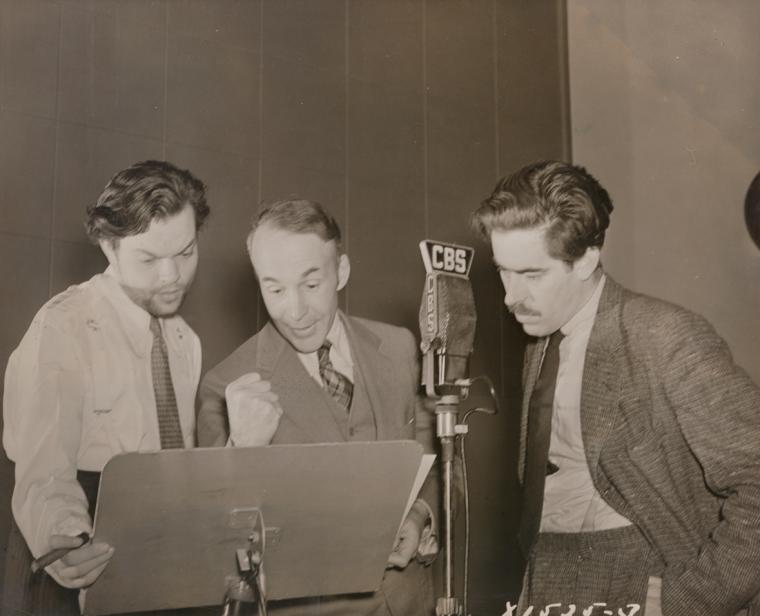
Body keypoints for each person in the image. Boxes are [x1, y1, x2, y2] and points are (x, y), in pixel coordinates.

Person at [471, 160, 760, 616]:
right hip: (545, 570)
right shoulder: (542, 340)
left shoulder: (666, 337)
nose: (510, 297)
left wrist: (694, 599)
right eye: (503, 272)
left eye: (531, 275)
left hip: (635, 572)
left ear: (585, 258)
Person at [197, 199, 438, 616]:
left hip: (409, 604)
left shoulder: (399, 348)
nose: (295, 310)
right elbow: (219, 541)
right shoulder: (225, 385)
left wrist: (418, 516)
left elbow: (432, 460)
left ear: (341, 272)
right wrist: (242, 446)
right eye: (274, 288)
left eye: (311, 285)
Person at [2, 160, 209, 615]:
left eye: (187, 252)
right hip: (73, 556)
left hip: (158, 556)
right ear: (109, 247)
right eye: (150, 259)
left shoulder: (184, 342)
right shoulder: (64, 325)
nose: (172, 275)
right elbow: (44, 470)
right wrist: (66, 539)